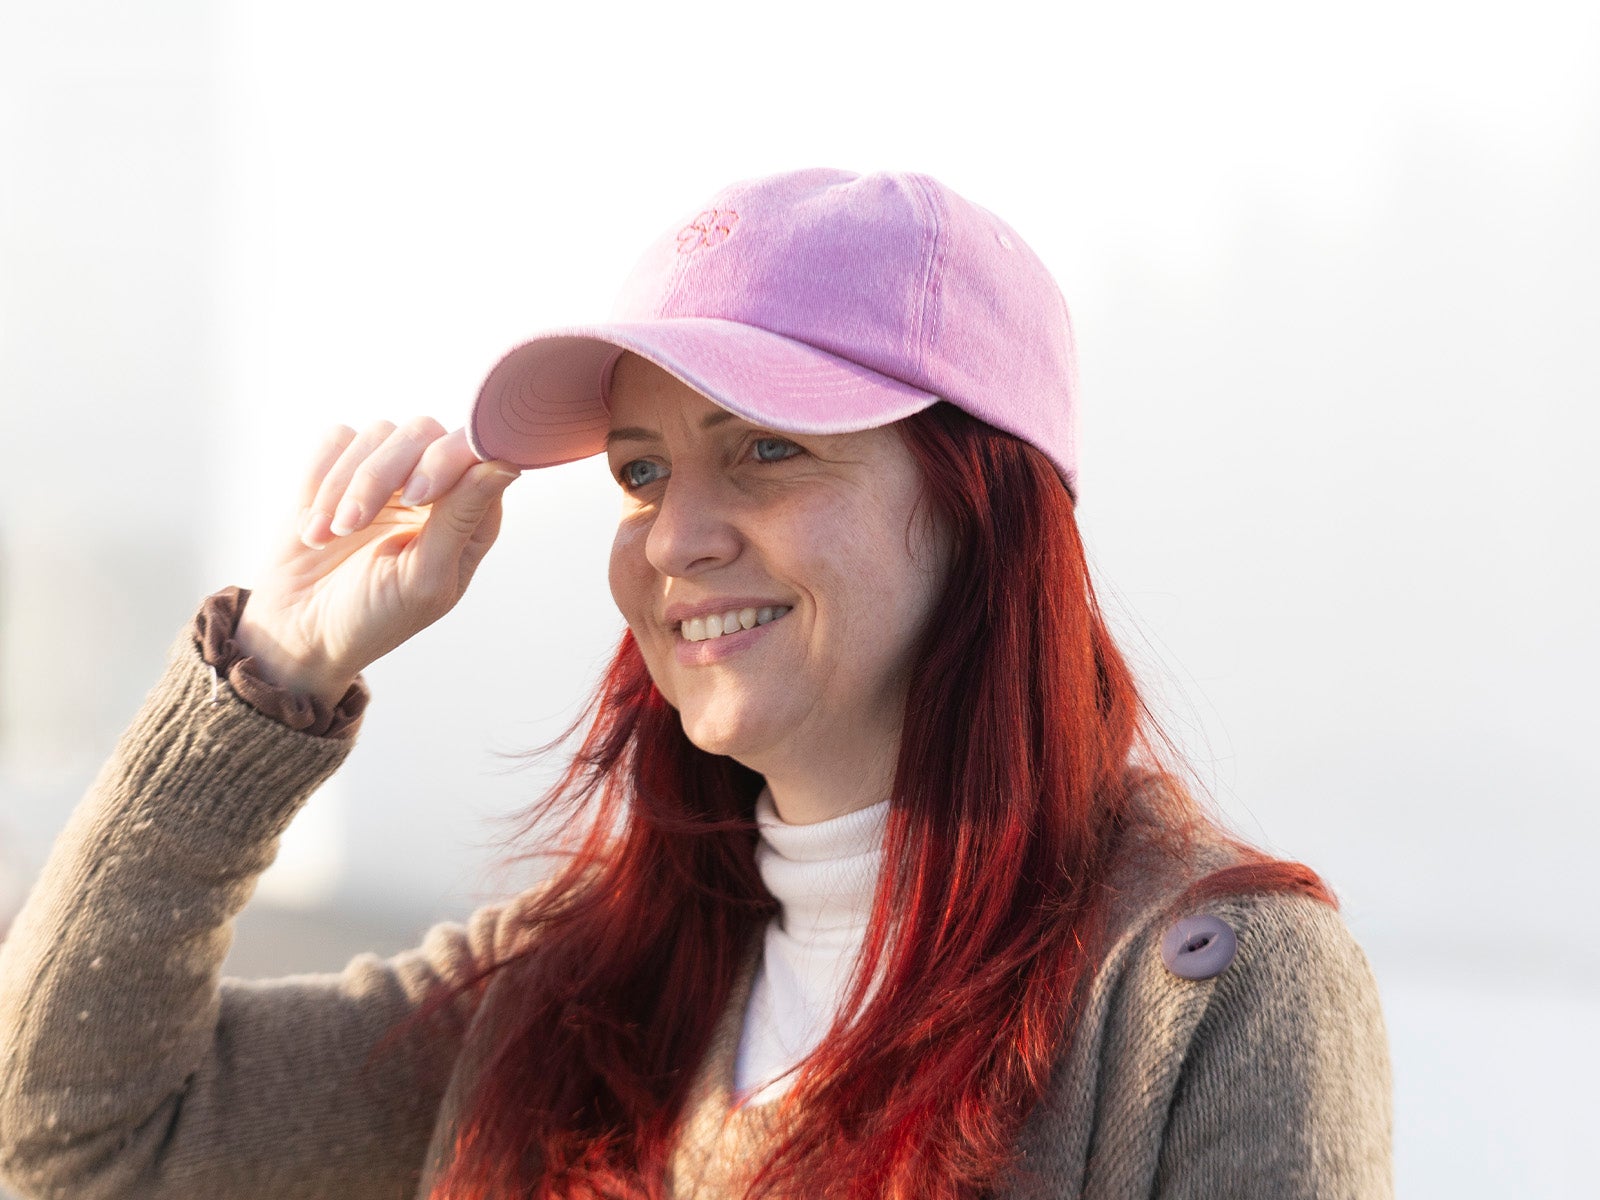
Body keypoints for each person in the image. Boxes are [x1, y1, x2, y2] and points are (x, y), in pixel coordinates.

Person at [0, 168, 1392, 1199]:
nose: (674, 535)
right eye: (643, 469)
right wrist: (272, 673)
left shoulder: (1207, 991)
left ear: (983, 503)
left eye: (770, 450)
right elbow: (68, 1132)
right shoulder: (564, 983)